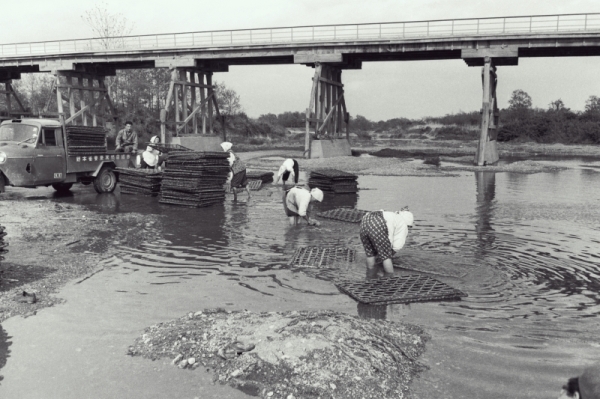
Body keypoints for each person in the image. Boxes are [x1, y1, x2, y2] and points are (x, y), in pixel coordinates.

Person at [359, 207, 414, 275]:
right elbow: (397, 245)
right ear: (408, 224)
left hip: (365, 220)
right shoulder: (403, 223)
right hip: (378, 222)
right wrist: (387, 254)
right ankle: (389, 278)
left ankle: (370, 275)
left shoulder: (391, 215)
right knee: (386, 257)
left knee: (370, 254)